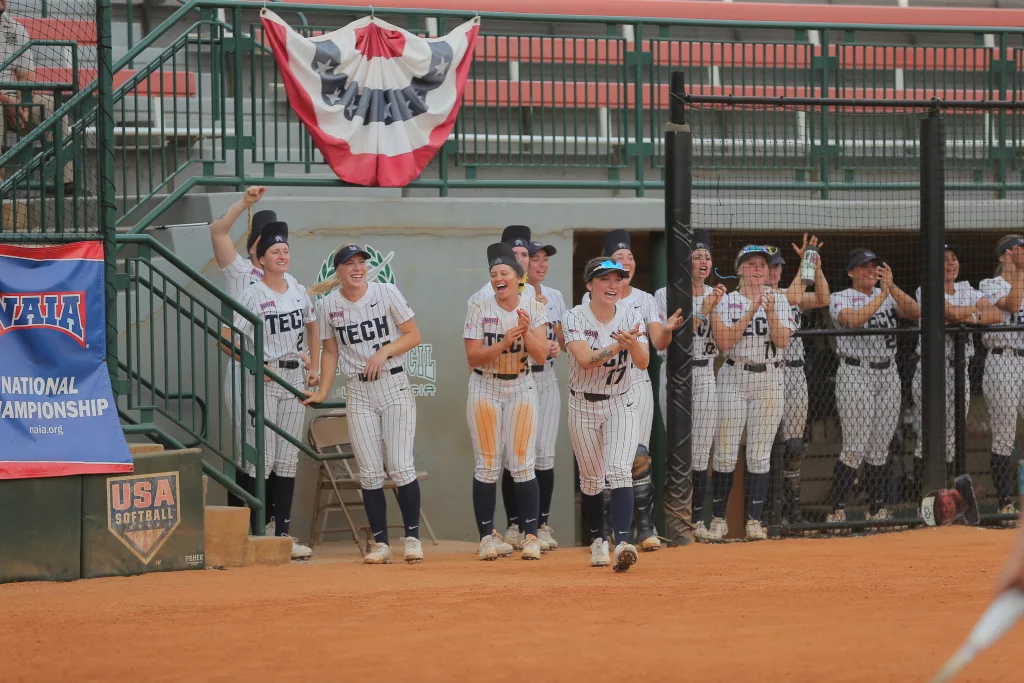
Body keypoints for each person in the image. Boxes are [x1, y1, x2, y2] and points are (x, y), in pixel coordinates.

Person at [303, 244, 426, 564]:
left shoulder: (386, 292)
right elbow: (329, 352)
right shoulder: (328, 304)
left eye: (361, 262)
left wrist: (384, 351)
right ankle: (381, 544)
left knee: (400, 466)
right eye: (349, 264)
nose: (357, 268)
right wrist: (324, 390)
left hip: (394, 383)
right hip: (358, 390)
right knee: (369, 472)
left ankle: (412, 538)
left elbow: (413, 335)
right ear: (338, 271)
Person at [209, 186, 306, 534]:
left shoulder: (288, 283)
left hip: (283, 371)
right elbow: (218, 231)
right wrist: (245, 204)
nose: (276, 247)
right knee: (248, 448)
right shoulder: (239, 271)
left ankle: (273, 526)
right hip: (244, 367)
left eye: (281, 242)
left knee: (280, 451)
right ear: (255, 246)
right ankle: (244, 526)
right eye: (266, 240)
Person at [230, 221, 319, 560]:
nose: (282, 256)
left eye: (285, 251)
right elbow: (228, 338)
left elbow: (313, 328)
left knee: (287, 460)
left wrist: (316, 366)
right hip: (266, 379)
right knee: (262, 459)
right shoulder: (251, 293)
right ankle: (256, 533)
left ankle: (282, 535)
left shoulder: (296, 288)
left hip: (294, 379)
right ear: (262, 259)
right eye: (274, 252)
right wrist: (255, 363)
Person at [464, 242, 549, 561]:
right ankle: (486, 537)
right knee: (486, 464)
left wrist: (526, 333)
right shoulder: (479, 306)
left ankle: (530, 536)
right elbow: (472, 357)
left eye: (505, 273)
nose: (499, 278)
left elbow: (540, 355)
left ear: (518, 278)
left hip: (522, 385)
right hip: (485, 386)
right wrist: (503, 343)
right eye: (494, 274)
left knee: (523, 464)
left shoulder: (534, 307)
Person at [563, 257, 649, 571]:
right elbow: (585, 360)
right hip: (583, 405)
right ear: (590, 285)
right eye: (605, 279)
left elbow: (643, 361)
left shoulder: (631, 314)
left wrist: (633, 345)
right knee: (591, 480)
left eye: (618, 279)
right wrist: (617, 347)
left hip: (619, 402)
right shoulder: (573, 316)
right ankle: (599, 539)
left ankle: (624, 542)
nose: (613, 285)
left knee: (619, 468)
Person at [583, 230, 665, 552]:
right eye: (617, 260)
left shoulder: (643, 300)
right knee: (604, 463)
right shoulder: (586, 305)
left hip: (636, 382)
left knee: (638, 456)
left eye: (629, 258)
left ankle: (644, 529)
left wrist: (667, 332)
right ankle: (604, 534)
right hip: (601, 384)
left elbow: (654, 347)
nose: (624, 263)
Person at [706, 245, 795, 541]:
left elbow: (782, 341)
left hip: (769, 378)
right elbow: (723, 342)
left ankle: (754, 521)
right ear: (740, 268)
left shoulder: (779, 301)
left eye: (763, 264)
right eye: (752, 263)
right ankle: (718, 519)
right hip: (733, 375)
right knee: (725, 453)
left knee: (759, 455)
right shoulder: (726, 301)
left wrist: (769, 312)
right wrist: (750, 311)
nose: (759, 269)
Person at [826, 248, 920, 525]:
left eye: (874, 266)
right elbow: (852, 321)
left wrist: (891, 288)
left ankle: (876, 508)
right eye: (864, 267)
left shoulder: (889, 296)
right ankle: (836, 510)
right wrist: (881, 295)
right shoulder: (839, 297)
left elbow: (917, 312)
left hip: (888, 372)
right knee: (855, 446)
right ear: (851, 272)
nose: (870, 271)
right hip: (856, 371)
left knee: (880, 448)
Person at [652, 229, 726, 539]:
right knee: (677, 450)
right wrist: (706, 307)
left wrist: (720, 307)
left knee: (702, 453)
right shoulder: (664, 293)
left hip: (706, 372)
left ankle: (697, 522)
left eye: (707, 256)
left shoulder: (718, 294)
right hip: (675, 373)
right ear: (686, 262)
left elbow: (722, 342)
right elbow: (669, 343)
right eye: (697, 256)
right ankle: (674, 522)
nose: (703, 261)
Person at [912, 245, 1001, 489]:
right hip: (931, 369)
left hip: (960, 369)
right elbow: (946, 310)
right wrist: (973, 313)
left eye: (953, 258)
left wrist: (965, 317)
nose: (950, 263)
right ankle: (924, 497)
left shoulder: (965, 288)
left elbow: (996, 315)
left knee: (952, 437)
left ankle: (947, 494)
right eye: (943, 260)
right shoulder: (925, 289)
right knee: (929, 435)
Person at [767, 235, 830, 526]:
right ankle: (769, 512)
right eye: (769, 267)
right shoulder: (766, 297)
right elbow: (792, 296)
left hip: (796, 373)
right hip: (771, 373)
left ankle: (791, 512)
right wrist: (806, 260)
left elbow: (822, 298)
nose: (774, 272)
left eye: (778, 267)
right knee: (768, 445)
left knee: (794, 446)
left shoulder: (789, 292)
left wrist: (814, 265)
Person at [0, 0, 73, 190]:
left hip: (14, 99)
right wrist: (7, 103)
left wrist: (22, 104)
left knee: (53, 107)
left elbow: (26, 75)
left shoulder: (14, 28)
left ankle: (60, 179)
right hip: (3, 101)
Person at [524, 238, 566, 550]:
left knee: (545, 454)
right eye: (534, 258)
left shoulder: (555, 296)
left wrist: (555, 343)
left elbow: (564, 342)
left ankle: (542, 524)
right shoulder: (514, 292)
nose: (540, 264)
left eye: (544, 259)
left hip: (547, 378)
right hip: (519, 378)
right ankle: (517, 525)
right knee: (520, 455)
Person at [979, 236, 1024, 517]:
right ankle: (1005, 504)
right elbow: (1011, 305)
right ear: (1003, 256)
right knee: (1004, 438)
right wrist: (1020, 271)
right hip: (1002, 360)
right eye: (1017, 252)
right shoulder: (990, 284)